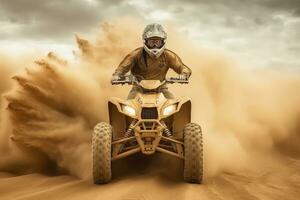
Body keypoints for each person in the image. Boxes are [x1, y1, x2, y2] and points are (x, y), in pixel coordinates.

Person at [111, 23, 192, 99]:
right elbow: (122, 68)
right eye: (151, 42)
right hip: (138, 89)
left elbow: (182, 67)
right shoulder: (135, 54)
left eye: (157, 42)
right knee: (128, 105)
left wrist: (184, 75)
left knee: (174, 105)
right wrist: (117, 75)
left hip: (161, 89)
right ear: (145, 41)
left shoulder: (168, 55)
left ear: (163, 41)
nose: (154, 45)